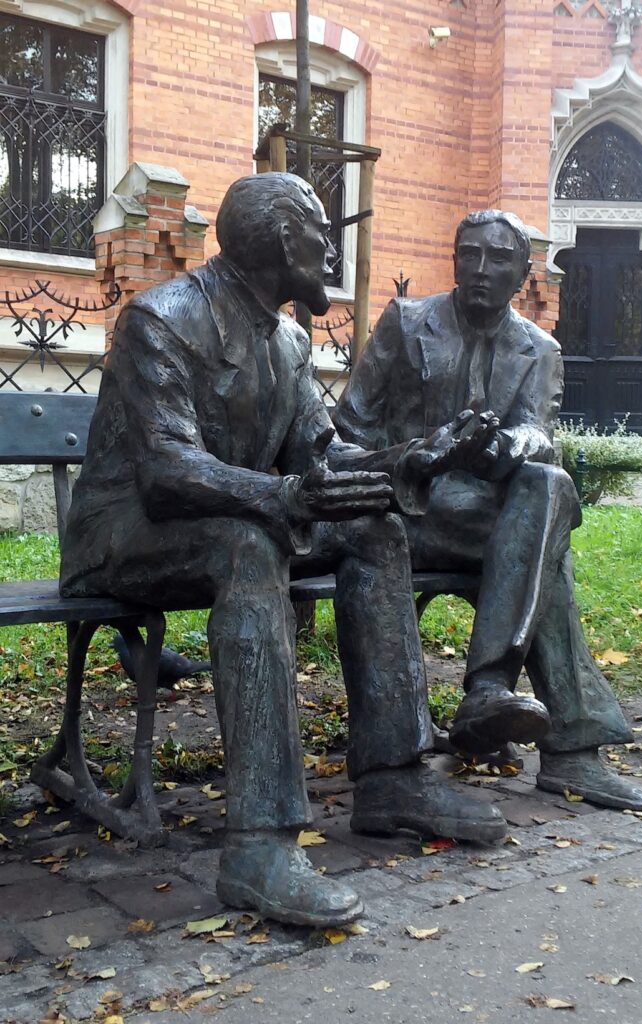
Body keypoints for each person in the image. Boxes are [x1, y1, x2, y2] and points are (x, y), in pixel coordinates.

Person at [60, 173, 508, 929]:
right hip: (124, 531)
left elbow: (321, 458)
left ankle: (393, 776)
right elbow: (168, 473)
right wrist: (278, 498)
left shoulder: (290, 338)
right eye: (317, 231)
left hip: (227, 516)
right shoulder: (162, 320)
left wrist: (414, 459)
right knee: (247, 543)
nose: (329, 246)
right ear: (276, 237)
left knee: (372, 526)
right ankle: (259, 846)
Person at [333, 209, 642, 812]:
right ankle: (567, 750)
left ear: (522, 275)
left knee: (545, 486)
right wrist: (413, 457)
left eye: (498, 259)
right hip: (403, 513)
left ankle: (490, 690)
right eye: (469, 254)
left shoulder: (539, 349)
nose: (480, 269)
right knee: (544, 554)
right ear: (455, 259)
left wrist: (505, 447)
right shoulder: (406, 324)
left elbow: (539, 431)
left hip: (487, 519)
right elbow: (346, 432)